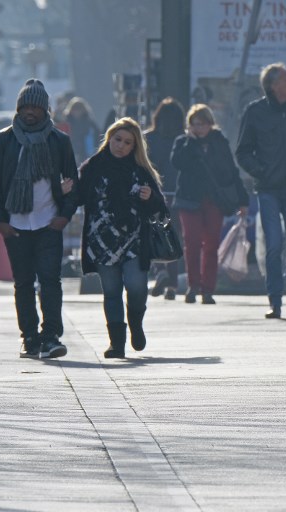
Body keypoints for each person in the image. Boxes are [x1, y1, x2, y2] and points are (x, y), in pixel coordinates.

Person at [0, 78, 79, 359]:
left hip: (48, 222)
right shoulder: (4, 139)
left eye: (35, 107)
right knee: (24, 283)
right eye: (25, 106)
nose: (30, 111)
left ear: (45, 109)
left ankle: (51, 336)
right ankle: (29, 337)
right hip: (15, 224)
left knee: (50, 280)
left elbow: (73, 181)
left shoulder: (59, 140)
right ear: (18, 108)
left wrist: (64, 217)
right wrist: (0, 220)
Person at [78, 117, 166, 358]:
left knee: (137, 287)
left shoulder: (141, 170)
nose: (121, 145)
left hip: (134, 241)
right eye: (118, 139)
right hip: (102, 241)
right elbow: (78, 196)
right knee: (112, 291)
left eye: (128, 142)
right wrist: (65, 190)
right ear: (109, 138)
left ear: (134, 146)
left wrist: (150, 198)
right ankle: (116, 344)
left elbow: (161, 209)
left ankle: (135, 322)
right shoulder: (93, 166)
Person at [236, 62, 286, 319]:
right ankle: (275, 300)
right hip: (268, 189)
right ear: (273, 86)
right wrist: (261, 171)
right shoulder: (255, 111)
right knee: (273, 245)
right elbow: (242, 152)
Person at [171, 104, 249, 304]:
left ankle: (207, 289)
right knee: (192, 242)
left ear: (210, 124)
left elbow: (231, 171)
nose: (199, 128)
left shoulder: (219, 142)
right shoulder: (183, 142)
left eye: (203, 124)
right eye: (195, 124)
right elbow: (178, 163)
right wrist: (191, 142)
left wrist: (242, 199)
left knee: (211, 243)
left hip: (214, 200)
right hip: (189, 199)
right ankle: (193, 285)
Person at [145, 97, 186, 300]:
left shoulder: (149, 138)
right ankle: (172, 284)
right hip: (177, 194)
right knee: (173, 237)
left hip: (154, 193)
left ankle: (159, 271)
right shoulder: (183, 139)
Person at [63, 96, 100, 165]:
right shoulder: (66, 122)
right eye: (75, 109)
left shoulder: (89, 122)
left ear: (83, 110)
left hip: (86, 152)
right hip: (70, 151)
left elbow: (97, 135)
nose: (77, 112)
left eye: (79, 109)